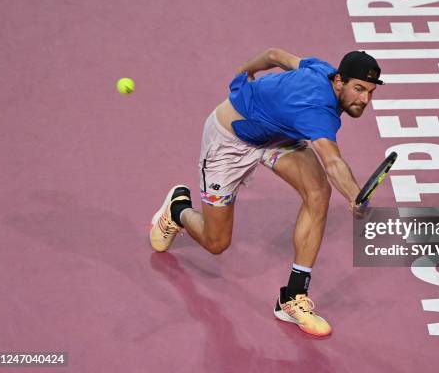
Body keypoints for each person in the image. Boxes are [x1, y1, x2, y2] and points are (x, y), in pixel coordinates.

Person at [149, 48, 383, 337]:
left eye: (370, 92)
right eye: (359, 89)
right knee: (216, 242)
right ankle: (177, 210)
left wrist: (246, 70)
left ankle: (291, 298)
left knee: (318, 192)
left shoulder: (320, 69)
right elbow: (332, 161)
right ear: (338, 81)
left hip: (275, 135)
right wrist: (355, 196)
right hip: (230, 141)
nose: (364, 100)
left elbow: (274, 55)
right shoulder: (316, 110)